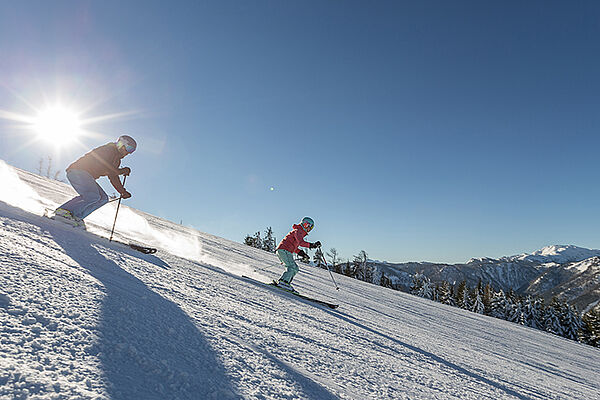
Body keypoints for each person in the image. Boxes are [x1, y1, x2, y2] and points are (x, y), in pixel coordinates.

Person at [54, 135, 136, 225]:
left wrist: (122, 191)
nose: (129, 152)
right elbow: (105, 165)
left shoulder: (116, 160)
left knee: (103, 198)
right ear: (121, 144)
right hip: (78, 171)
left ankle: (77, 217)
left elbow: (113, 176)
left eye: (132, 150)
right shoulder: (108, 150)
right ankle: (64, 211)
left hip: (87, 176)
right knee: (93, 196)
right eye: (129, 148)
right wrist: (121, 171)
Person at [275, 217, 321, 292]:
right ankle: (283, 282)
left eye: (311, 227)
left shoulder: (300, 233)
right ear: (302, 223)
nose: (308, 228)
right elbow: (301, 243)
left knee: (295, 268)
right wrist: (312, 245)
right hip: (284, 250)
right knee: (291, 266)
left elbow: (295, 246)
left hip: (286, 251)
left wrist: (302, 253)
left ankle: (286, 282)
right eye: (307, 225)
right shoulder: (298, 231)